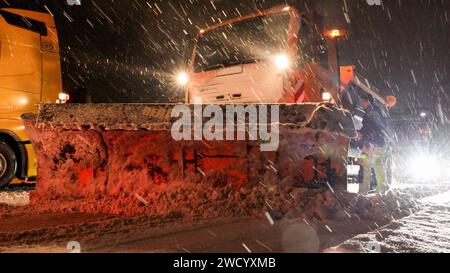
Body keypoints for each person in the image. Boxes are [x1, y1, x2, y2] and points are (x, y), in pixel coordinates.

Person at [357, 94, 389, 194]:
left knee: (366, 167)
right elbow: (378, 127)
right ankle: (381, 190)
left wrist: (362, 133)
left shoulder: (371, 112)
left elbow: (372, 127)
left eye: (362, 101)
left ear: (367, 102)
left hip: (372, 144)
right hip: (378, 143)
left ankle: (363, 191)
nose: (360, 103)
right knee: (378, 167)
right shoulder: (375, 111)